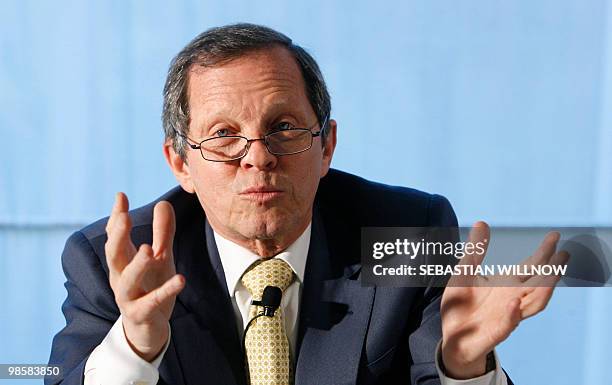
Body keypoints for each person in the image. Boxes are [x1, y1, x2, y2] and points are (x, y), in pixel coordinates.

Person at [46, 23, 567, 385]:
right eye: (225, 134)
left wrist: (463, 365)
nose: (259, 158)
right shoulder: (120, 261)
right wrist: (136, 344)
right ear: (180, 163)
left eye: (284, 128)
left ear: (327, 147)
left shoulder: (406, 234)